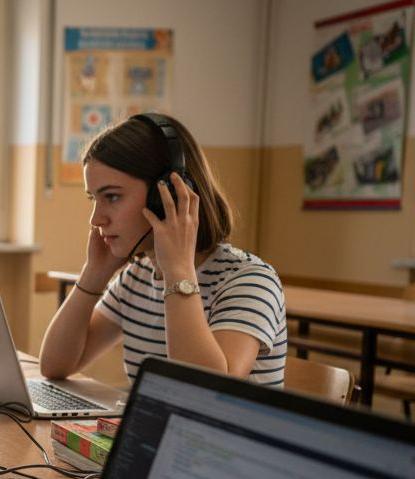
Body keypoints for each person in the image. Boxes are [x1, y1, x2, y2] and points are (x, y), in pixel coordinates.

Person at [38, 113, 287, 387]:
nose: (96, 219)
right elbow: (55, 365)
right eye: (93, 199)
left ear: (165, 195)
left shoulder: (249, 281)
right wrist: (93, 273)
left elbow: (206, 393)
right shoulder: (136, 278)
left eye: (112, 197)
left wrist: (178, 271)